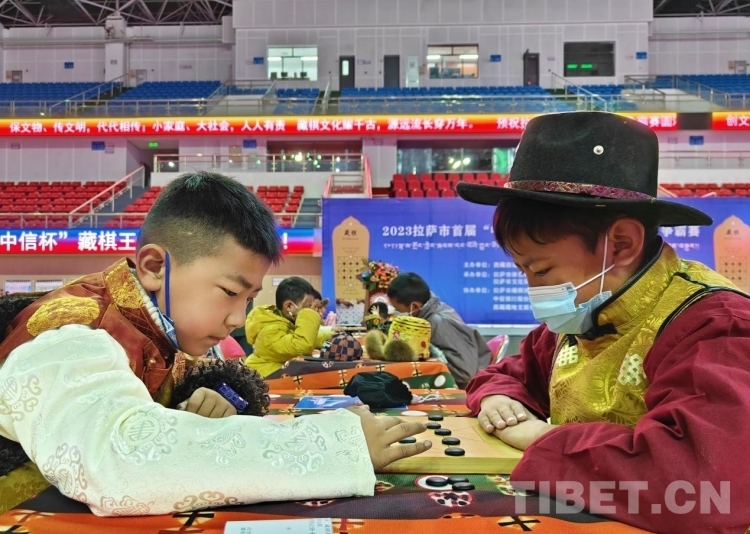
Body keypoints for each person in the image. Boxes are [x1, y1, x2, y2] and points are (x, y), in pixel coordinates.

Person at [0, 172, 431, 517]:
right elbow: (115, 462)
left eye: (248, 299)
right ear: (154, 266)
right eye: (229, 292)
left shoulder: (155, 327)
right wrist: (337, 445)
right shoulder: (71, 333)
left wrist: (202, 398)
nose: (238, 319)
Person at [457, 111, 750, 534]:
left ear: (622, 244)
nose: (533, 289)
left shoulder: (715, 327)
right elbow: (507, 374)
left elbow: (705, 487)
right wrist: (497, 399)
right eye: (523, 271)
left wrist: (541, 439)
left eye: (541, 270)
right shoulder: (578, 319)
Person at [387, 272, 491, 388]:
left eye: (397, 309)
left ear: (415, 306)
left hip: (467, 387)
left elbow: (465, 374)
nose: (395, 314)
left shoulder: (438, 322)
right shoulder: (429, 312)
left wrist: (430, 358)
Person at [244, 277, 334, 377]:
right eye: (308, 307)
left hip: (280, 376)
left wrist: (332, 335)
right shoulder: (269, 331)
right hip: (266, 379)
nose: (313, 310)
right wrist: (309, 314)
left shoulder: (286, 322)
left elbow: (312, 337)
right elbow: (301, 346)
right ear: (289, 306)